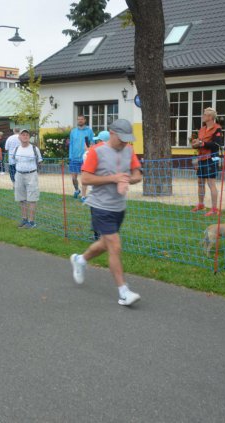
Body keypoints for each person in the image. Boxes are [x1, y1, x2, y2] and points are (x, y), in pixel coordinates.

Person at [69, 118, 142, 306]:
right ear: (112, 133)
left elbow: (137, 175)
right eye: (122, 138)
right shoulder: (96, 151)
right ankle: (123, 292)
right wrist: (113, 178)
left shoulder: (129, 150)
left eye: (128, 138)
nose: (125, 142)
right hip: (100, 206)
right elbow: (85, 179)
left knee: (104, 244)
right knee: (115, 246)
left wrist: (127, 179)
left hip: (119, 206)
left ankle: (80, 259)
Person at [190, 107, 223, 216]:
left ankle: (214, 209)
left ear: (210, 117)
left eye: (204, 114)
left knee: (211, 183)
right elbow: (199, 143)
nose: (202, 116)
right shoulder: (201, 129)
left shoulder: (217, 128)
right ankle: (201, 204)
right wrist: (195, 144)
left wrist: (202, 144)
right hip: (201, 158)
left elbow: (217, 145)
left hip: (212, 158)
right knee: (200, 182)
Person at [10, 129, 43, 228]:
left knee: (32, 198)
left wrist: (36, 171)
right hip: (19, 175)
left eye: (27, 135)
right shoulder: (16, 149)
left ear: (29, 137)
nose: (25, 136)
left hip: (31, 175)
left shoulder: (34, 149)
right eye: (23, 135)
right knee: (21, 198)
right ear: (19, 137)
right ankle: (24, 219)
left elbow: (40, 161)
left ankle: (31, 221)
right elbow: (13, 162)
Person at [69, 114, 95, 202]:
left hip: (85, 158)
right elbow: (71, 144)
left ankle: (83, 196)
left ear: (85, 120)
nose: (80, 120)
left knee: (84, 178)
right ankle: (77, 190)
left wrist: (90, 154)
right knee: (73, 178)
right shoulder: (73, 131)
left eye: (82, 119)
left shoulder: (89, 131)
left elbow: (92, 143)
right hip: (74, 158)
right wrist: (70, 156)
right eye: (78, 119)